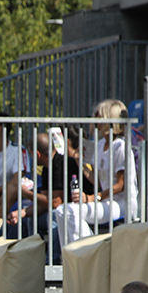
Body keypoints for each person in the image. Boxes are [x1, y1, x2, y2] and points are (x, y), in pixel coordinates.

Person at [52, 100, 138, 247]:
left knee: (70, 212)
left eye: (98, 115)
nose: (94, 118)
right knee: (61, 211)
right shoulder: (100, 145)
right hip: (107, 202)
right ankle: (73, 255)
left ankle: (89, 251)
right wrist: (82, 166)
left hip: (123, 204)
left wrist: (93, 197)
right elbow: (99, 182)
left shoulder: (121, 146)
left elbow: (120, 185)